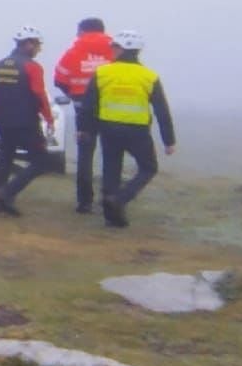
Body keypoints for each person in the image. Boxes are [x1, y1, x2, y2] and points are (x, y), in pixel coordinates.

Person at [81, 30, 175, 228]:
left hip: (108, 127)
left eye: (114, 47)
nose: (111, 50)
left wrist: (84, 129)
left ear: (123, 49)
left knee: (111, 169)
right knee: (149, 168)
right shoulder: (149, 76)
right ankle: (119, 201)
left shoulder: (102, 73)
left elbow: (89, 104)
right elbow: (161, 109)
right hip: (137, 130)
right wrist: (169, 140)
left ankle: (111, 213)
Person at [0, 25, 55, 215]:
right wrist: (49, 118)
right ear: (29, 44)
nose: (39, 49)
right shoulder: (32, 67)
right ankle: (7, 192)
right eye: (38, 45)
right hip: (26, 122)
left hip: (3, 121)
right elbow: (39, 94)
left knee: (5, 158)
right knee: (41, 162)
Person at [53, 17, 118, 215]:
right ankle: (110, 197)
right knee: (112, 154)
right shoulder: (115, 51)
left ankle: (84, 202)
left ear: (82, 31)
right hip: (110, 108)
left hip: (82, 109)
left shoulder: (74, 51)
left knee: (85, 155)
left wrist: (73, 93)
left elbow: (59, 79)